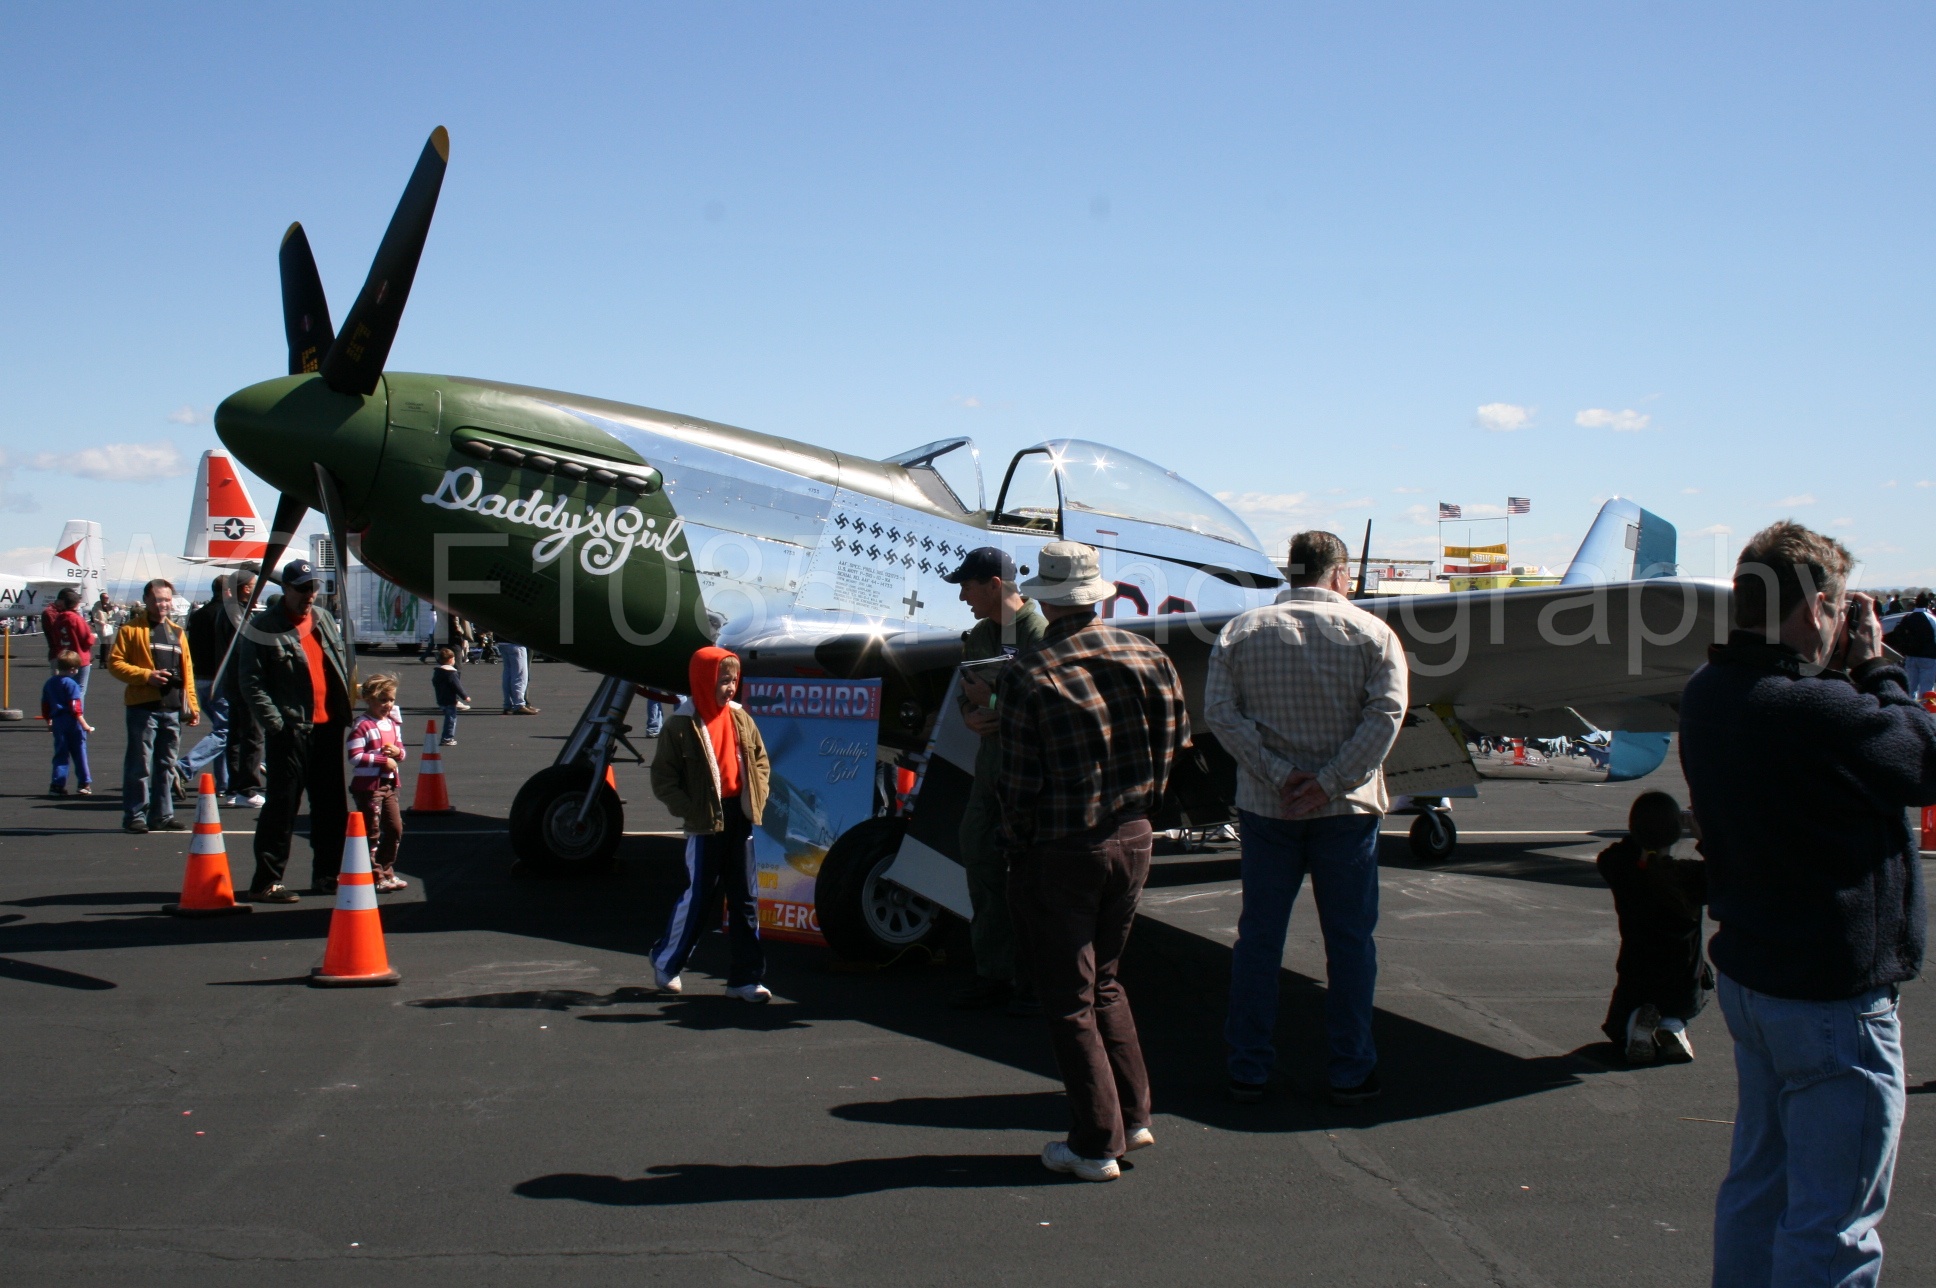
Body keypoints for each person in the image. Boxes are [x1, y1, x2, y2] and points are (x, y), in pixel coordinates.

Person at [1680, 521, 1936, 1287]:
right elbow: (1922, 761)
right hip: (1830, 992)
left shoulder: (1711, 691)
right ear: (1818, 607)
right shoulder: (1812, 709)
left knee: (1760, 1187)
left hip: (1758, 978)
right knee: (1834, 1221)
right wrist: (1880, 671)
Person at [997, 541, 1189, 1182]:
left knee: (1069, 997)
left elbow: (1018, 783)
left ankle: (1095, 1142)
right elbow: (1175, 747)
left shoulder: (1028, 671)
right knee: (1106, 981)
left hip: (1062, 846)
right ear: (1097, 596)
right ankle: (1133, 1115)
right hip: (1133, 836)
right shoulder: (1150, 655)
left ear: (1047, 600)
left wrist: (1015, 845)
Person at [1205, 529, 1407, 1108]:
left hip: (1269, 809)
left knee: (1259, 940)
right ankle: (1349, 1069)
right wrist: (1329, 781)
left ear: (1291, 574)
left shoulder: (1240, 631)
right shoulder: (1374, 633)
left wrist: (1276, 771)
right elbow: (1387, 714)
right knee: (1349, 943)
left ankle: (1248, 1067)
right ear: (1339, 574)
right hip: (1345, 811)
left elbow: (1220, 712)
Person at [941, 546, 1048, 1014]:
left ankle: (1035, 976)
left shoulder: (1040, 634)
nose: (963, 595)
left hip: (1031, 778)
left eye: (968, 585)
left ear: (994, 585)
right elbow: (968, 691)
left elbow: (1051, 707)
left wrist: (994, 708)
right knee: (979, 855)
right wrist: (971, 713)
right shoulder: (981, 636)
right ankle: (994, 970)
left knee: (1031, 879)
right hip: (990, 772)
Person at [647, 646, 772, 1002]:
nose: (730, 687)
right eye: (723, 680)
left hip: (740, 817)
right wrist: (690, 810)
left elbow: (760, 760)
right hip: (705, 822)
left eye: (734, 680)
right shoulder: (680, 724)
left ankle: (745, 980)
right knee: (699, 897)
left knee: (746, 899)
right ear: (704, 679)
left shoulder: (741, 717)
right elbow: (663, 778)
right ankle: (667, 962)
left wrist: (757, 797)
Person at [237, 559, 352, 903]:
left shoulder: (325, 620)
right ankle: (266, 881)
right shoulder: (264, 626)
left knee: (331, 806)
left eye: (313, 588)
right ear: (285, 589)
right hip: (291, 730)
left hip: (328, 727)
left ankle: (328, 874)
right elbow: (251, 682)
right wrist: (276, 724)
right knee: (282, 807)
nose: (310, 594)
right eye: (302, 588)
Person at [1596, 791, 1709, 1065]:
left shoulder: (1619, 866)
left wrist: (1645, 836)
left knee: (1633, 1001)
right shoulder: (1688, 877)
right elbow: (1725, 871)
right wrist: (1702, 835)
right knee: (1696, 986)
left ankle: (1638, 1020)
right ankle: (1672, 1026)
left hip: (1636, 972)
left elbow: (1616, 852)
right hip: (1681, 979)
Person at [107, 578, 200, 834]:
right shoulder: (130, 631)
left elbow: (187, 672)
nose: (163, 604)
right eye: (158, 599)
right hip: (143, 707)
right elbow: (115, 663)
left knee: (167, 766)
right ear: (147, 600)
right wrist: (146, 675)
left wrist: (192, 706)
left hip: (170, 708)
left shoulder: (177, 633)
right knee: (140, 764)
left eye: (167, 599)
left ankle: (163, 815)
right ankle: (135, 815)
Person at [347, 673, 409, 893]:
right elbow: (354, 755)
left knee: (394, 829)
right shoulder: (362, 725)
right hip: (369, 787)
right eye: (383, 700)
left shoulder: (392, 723)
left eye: (391, 700)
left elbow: (401, 751)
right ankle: (374, 875)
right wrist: (384, 759)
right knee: (372, 831)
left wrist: (397, 753)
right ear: (369, 699)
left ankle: (386, 870)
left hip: (389, 785)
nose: (388, 705)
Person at [180, 575, 234, 796]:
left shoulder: (199, 614)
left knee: (220, 731)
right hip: (218, 678)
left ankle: (224, 782)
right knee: (225, 730)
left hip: (198, 677)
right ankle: (184, 767)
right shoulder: (228, 615)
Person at [216, 572, 266, 809]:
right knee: (253, 736)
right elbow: (245, 649)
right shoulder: (240, 614)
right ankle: (248, 788)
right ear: (246, 589)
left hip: (231, 681)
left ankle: (235, 787)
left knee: (235, 735)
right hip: (244, 682)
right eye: (254, 586)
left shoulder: (225, 611)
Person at [42, 649, 93, 797]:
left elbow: (45, 705)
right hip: (72, 722)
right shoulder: (72, 684)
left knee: (60, 754)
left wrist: (49, 720)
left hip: (58, 721)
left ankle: (57, 784)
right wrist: (84, 724)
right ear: (73, 669)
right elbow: (75, 707)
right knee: (79, 753)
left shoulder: (50, 683)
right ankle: (84, 783)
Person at [40, 587, 95, 697]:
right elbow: (86, 638)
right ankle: (75, 713)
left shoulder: (59, 617)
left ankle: (62, 711)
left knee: (64, 688)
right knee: (77, 689)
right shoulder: (72, 617)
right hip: (72, 655)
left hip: (62, 653)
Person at [1883, 589, 1936, 699]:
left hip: (1910, 656)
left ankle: (1910, 709)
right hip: (1928, 657)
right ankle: (1924, 711)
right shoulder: (1931, 618)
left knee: (1911, 687)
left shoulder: (1907, 618)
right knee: (1926, 688)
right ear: (1928, 604)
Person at [431, 648, 469, 745]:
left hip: (440, 698)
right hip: (450, 700)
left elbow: (434, 682)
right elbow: (457, 686)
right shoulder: (451, 673)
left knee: (449, 717)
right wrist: (465, 696)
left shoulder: (438, 671)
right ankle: (447, 738)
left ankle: (446, 738)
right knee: (451, 719)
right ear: (451, 659)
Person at [499, 638, 539, 715]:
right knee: (519, 676)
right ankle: (519, 704)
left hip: (502, 642)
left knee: (508, 675)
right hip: (516, 643)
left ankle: (507, 704)